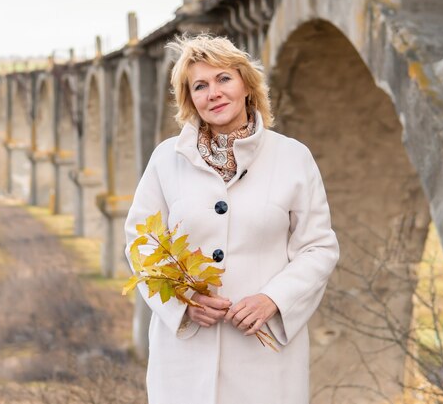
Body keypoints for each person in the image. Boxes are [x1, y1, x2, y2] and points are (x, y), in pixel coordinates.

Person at [124, 34, 339, 404]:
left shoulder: (292, 157)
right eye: (200, 86)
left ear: (246, 85)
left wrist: (273, 299)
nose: (214, 93)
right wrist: (183, 301)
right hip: (185, 358)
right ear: (190, 99)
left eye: (224, 79)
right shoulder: (166, 159)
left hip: (264, 356)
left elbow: (318, 247)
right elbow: (141, 243)